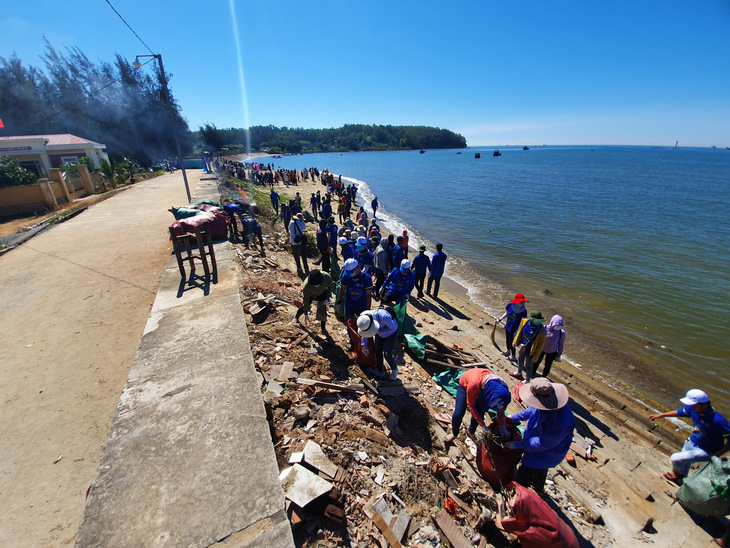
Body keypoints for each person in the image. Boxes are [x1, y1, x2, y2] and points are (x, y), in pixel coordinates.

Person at [505, 378, 575, 492]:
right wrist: (512, 418)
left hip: (548, 452)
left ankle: (519, 497)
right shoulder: (544, 400)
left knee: (522, 477)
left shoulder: (562, 420)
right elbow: (530, 411)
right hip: (536, 446)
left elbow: (542, 443)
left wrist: (518, 444)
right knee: (541, 471)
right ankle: (538, 488)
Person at [649, 389, 730, 484]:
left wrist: (718, 453)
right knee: (683, 462)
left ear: (704, 404)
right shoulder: (693, 409)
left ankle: (677, 475)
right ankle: (680, 481)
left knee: (676, 458)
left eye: (693, 405)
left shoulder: (719, 421)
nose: (691, 407)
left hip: (706, 450)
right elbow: (681, 412)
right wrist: (661, 415)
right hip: (692, 442)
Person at [444, 368, 512, 444]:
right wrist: (483, 425)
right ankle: (454, 433)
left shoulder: (503, 389)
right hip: (466, 385)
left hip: (483, 390)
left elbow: (501, 408)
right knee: (459, 412)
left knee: (480, 413)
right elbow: (471, 406)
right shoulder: (473, 384)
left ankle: (471, 432)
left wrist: (502, 426)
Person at [357, 308, 399, 380]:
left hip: (391, 333)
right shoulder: (364, 318)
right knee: (377, 350)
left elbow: (393, 328)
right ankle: (379, 369)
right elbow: (365, 330)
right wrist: (364, 344)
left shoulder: (384, 317)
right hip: (379, 332)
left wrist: (381, 332)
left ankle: (394, 370)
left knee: (387, 353)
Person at [510, 311, 547, 383]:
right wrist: (515, 341)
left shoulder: (542, 331)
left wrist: (535, 357)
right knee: (520, 359)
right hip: (522, 346)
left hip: (531, 351)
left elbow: (540, 346)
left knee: (528, 366)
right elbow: (519, 332)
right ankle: (519, 372)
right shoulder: (525, 322)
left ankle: (527, 380)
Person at [296, 270, 335, 335]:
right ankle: (296, 317)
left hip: (322, 293)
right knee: (305, 306)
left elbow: (330, 286)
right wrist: (306, 312)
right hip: (311, 295)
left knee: (322, 309)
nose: (317, 286)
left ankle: (323, 328)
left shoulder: (326, 277)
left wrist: (327, 298)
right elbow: (306, 299)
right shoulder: (307, 285)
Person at [498, 294, 529, 360]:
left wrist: (517, 332)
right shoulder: (510, 305)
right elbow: (506, 313)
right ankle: (508, 351)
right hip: (508, 325)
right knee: (507, 339)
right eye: (520, 302)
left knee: (513, 342)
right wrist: (500, 319)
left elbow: (523, 322)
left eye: (522, 302)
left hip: (515, 328)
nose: (522, 303)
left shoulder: (523, 311)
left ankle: (513, 356)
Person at [288, 212, 309, 276]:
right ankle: (306, 268)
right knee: (303, 255)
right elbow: (304, 229)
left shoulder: (291, 223)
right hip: (300, 241)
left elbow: (289, 229)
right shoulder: (301, 223)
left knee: (295, 254)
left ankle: (299, 267)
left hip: (292, 241)